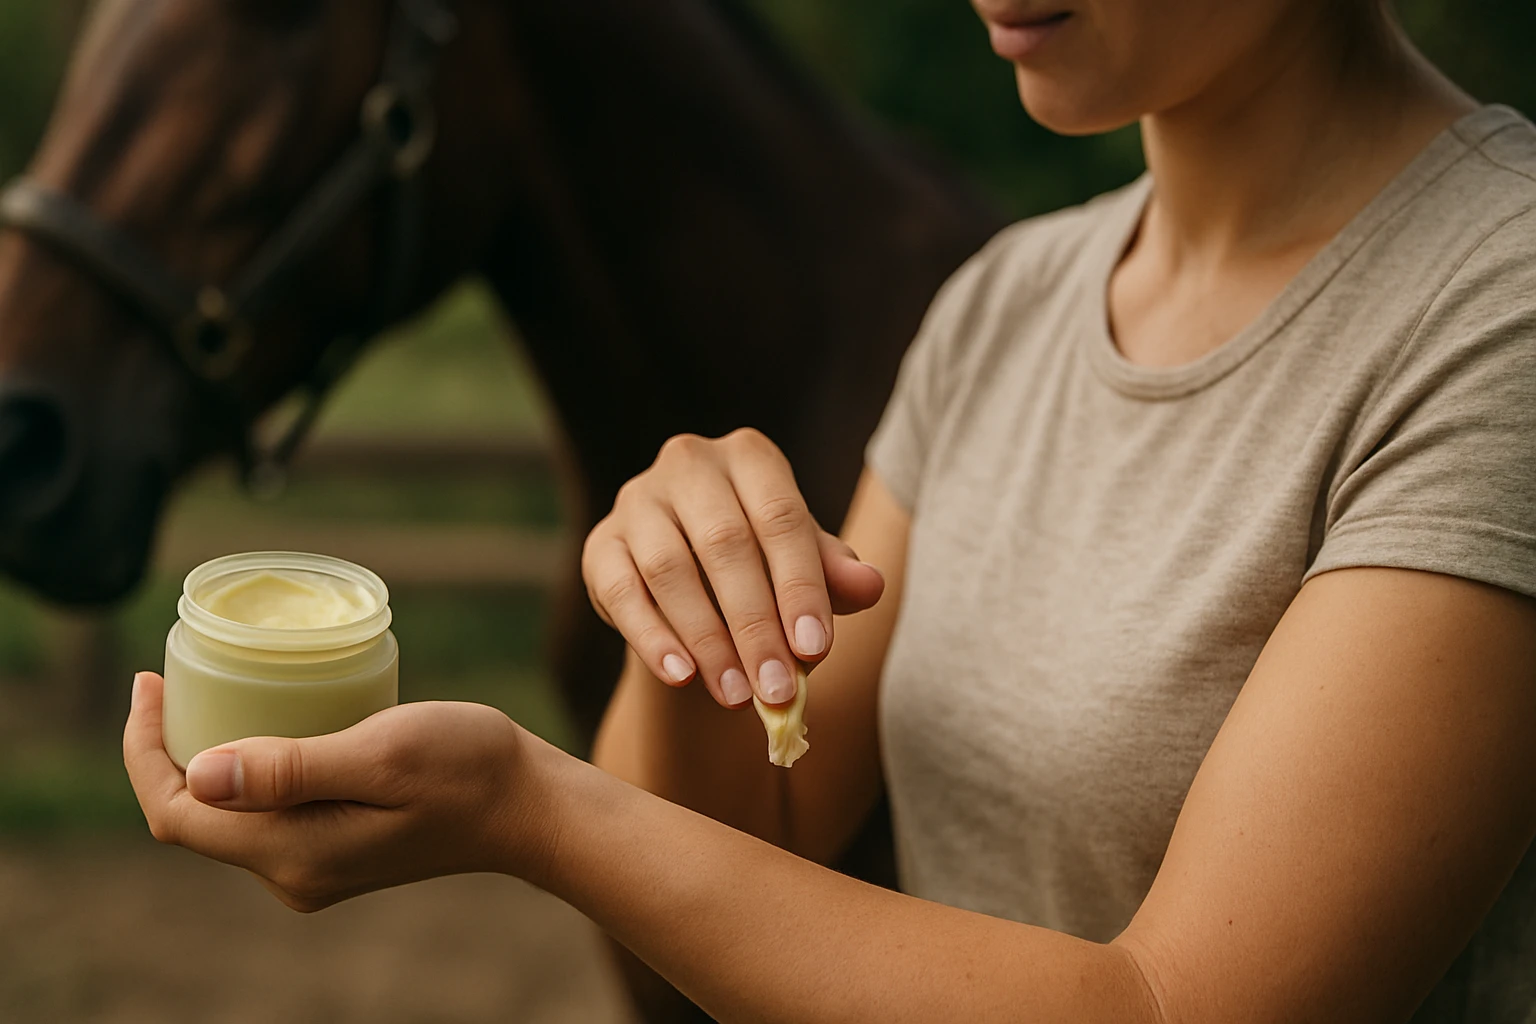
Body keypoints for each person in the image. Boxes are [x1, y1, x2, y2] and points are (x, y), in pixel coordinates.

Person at [125, 0, 1536, 1019]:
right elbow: (772, 827)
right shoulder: (1005, 304)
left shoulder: (1493, 311)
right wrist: (686, 615)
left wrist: (531, 812)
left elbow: (1167, 1003)